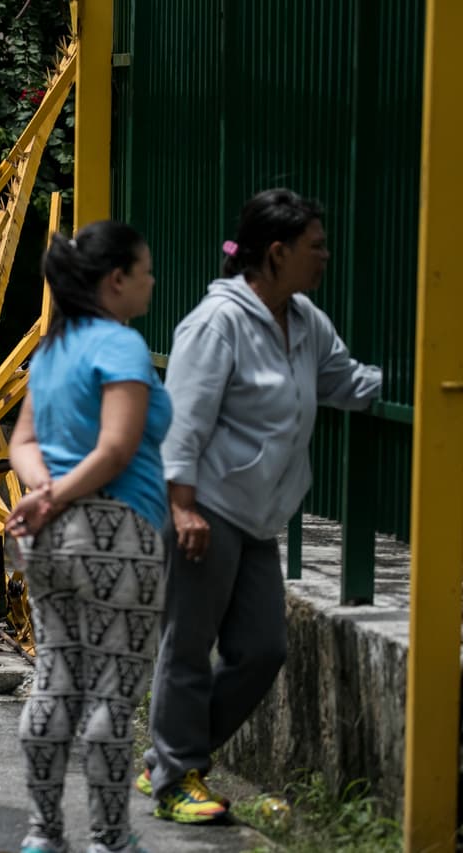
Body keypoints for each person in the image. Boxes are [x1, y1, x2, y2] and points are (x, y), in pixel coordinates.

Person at [136, 189, 382, 823]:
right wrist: (183, 507)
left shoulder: (303, 321)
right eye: (315, 246)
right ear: (276, 253)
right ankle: (175, 777)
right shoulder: (218, 324)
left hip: (259, 516)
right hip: (205, 508)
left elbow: (339, 380)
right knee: (189, 646)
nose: (325, 256)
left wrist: (406, 383)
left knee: (263, 648)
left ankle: (172, 757)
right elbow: (182, 422)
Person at [5, 221, 170, 853]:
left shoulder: (53, 349)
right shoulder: (119, 344)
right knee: (111, 694)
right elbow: (117, 447)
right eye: (146, 270)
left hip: (49, 538)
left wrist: (44, 492)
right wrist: (62, 494)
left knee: (55, 681)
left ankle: (43, 834)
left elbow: (22, 441)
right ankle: (109, 838)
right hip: (119, 532)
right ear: (116, 279)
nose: (152, 281)